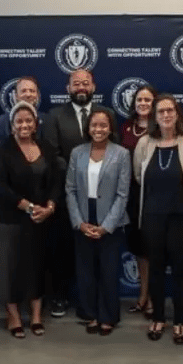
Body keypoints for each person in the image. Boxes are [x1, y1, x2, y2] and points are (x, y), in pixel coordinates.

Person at [133, 94, 183, 344]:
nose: (166, 115)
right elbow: (138, 176)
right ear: (154, 117)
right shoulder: (144, 143)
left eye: (170, 110)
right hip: (152, 218)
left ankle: (180, 321)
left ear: (177, 114)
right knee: (155, 269)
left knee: (181, 270)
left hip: (182, 218)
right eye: (161, 111)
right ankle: (158, 318)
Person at [43, 69, 118, 318]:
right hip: (69, 196)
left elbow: (115, 152)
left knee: (99, 254)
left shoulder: (106, 114)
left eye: (86, 83)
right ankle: (60, 297)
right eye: (76, 84)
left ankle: (96, 301)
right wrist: (80, 174)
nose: (81, 87)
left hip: (102, 197)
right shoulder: (54, 116)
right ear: (68, 89)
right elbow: (53, 155)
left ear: (93, 87)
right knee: (63, 249)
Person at [0, 102, 61, 338]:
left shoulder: (46, 147)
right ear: (12, 125)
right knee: (9, 269)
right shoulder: (3, 150)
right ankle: (13, 317)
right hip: (10, 218)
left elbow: (56, 182)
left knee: (37, 267)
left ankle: (36, 316)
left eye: (28, 121)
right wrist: (29, 207)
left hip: (41, 219)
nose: (24, 125)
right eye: (19, 121)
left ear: (36, 124)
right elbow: (0, 186)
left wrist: (50, 207)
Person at [66, 109, 130, 336]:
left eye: (103, 125)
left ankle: (108, 317)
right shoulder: (77, 153)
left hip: (110, 220)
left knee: (108, 271)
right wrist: (79, 222)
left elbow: (122, 194)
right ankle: (90, 314)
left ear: (110, 128)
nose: (98, 129)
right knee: (86, 272)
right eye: (94, 125)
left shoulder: (121, 154)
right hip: (84, 217)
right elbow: (70, 190)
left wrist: (106, 226)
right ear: (88, 127)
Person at [119, 84, 156, 318]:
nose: (143, 103)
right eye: (139, 100)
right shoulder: (125, 127)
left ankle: (152, 298)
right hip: (131, 195)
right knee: (140, 250)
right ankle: (143, 296)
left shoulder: (160, 127)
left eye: (147, 100)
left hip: (154, 195)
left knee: (152, 248)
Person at [0, 77, 43, 152]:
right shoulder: (0, 123)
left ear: (37, 95)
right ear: (15, 95)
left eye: (32, 91)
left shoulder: (47, 120)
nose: (28, 94)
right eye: (23, 91)